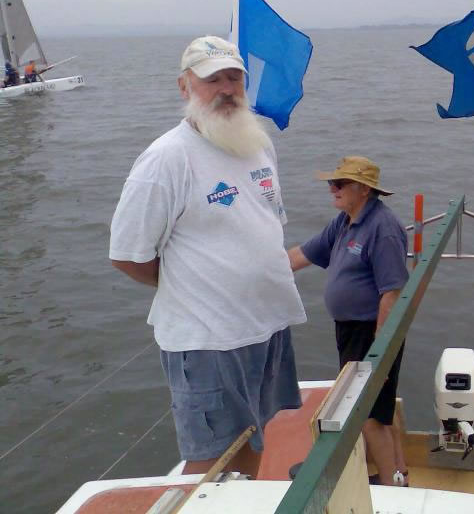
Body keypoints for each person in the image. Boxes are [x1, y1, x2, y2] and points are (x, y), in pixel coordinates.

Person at [109, 36, 306, 477]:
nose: (226, 88)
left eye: (234, 77)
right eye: (212, 79)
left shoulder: (258, 144)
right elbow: (127, 255)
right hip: (207, 338)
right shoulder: (167, 159)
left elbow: (267, 223)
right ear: (185, 87)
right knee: (209, 463)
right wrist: (193, 285)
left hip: (266, 324)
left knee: (256, 435)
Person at [287, 156, 410, 486]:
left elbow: (393, 293)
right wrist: (256, 271)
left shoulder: (383, 229)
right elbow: (299, 256)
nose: (332, 189)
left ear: (364, 189)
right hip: (350, 331)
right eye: (332, 182)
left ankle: (390, 490)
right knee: (380, 409)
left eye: (340, 183)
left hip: (371, 332)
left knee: (366, 414)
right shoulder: (344, 221)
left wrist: (381, 352)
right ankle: (399, 474)